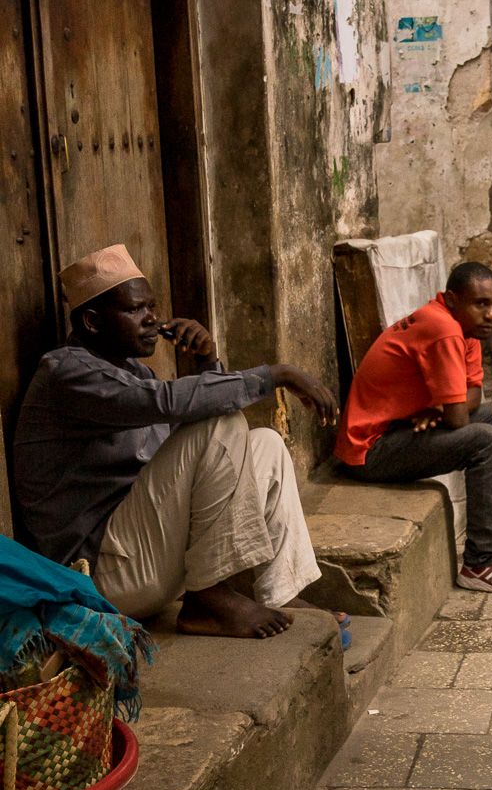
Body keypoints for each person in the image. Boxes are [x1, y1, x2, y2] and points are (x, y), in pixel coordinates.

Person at [14, 244, 338, 638]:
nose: (151, 319)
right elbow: (170, 405)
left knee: (265, 443)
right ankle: (207, 597)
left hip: (145, 560)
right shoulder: (65, 373)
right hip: (100, 578)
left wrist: (206, 360)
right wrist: (277, 374)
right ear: (93, 321)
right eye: (135, 310)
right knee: (220, 423)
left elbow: (201, 464)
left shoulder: (136, 374)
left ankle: (279, 591)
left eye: (152, 307)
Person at [335, 262, 492, 593]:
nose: (490, 315)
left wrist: (439, 407)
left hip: (402, 430)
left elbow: (473, 394)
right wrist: (447, 409)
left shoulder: (467, 328)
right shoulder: (443, 328)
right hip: (370, 450)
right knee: (485, 440)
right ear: (451, 299)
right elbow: (459, 418)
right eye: (481, 304)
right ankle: (482, 562)